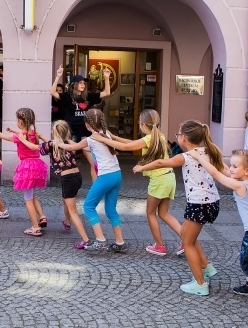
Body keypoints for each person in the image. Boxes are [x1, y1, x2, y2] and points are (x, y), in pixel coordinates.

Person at [134, 120, 222, 296]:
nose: (177, 137)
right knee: (189, 236)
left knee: (187, 241)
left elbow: (160, 163)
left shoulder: (187, 156)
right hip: (213, 202)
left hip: (199, 204)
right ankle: (206, 267)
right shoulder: (208, 151)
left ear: (184, 139)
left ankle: (200, 283)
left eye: (178, 134)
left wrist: (141, 167)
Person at [193, 148, 248, 310]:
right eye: (231, 165)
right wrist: (212, 154)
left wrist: (198, 157)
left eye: (235, 166)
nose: (231, 169)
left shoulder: (240, 185)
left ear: (247, 170)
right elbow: (223, 170)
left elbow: (216, 174)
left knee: (246, 263)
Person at [90, 109, 183, 256]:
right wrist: (114, 137)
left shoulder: (148, 139)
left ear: (143, 125)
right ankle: (185, 240)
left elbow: (127, 147)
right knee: (164, 213)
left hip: (159, 181)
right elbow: (133, 143)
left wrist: (103, 139)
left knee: (151, 213)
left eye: (139, 123)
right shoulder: (159, 136)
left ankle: (159, 246)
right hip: (169, 178)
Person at [55, 109, 127, 252]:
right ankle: (120, 242)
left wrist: (57, 143)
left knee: (88, 206)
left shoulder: (90, 139)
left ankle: (100, 240)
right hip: (117, 174)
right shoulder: (106, 135)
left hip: (105, 176)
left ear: (87, 125)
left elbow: (72, 147)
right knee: (110, 209)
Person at [0, 107, 49, 236]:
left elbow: (1, 136)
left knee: (28, 198)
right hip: (37, 165)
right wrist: (14, 130)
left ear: (20, 121)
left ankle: (35, 227)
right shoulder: (34, 132)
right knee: (31, 194)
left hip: (27, 167)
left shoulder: (20, 136)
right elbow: (24, 134)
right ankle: (42, 216)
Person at [27, 120, 92, 248]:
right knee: (66, 200)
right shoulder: (70, 143)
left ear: (54, 132)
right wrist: (40, 136)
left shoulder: (52, 145)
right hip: (77, 177)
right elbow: (52, 143)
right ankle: (67, 222)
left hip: (67, 179)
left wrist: (21, 139)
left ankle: (86, 240)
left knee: (73, 211)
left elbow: (36, 147)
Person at [50, 64, 113, 182]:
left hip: (85, 131)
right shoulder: (67, 96)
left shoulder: (88, 96)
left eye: (84, 83)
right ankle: (69, 184)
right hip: (71, 131)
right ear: (74, 85)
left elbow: (106, 93)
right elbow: (52, 92)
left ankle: (96, 187)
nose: (83, 85)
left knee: (94, 162)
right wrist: (58, 76)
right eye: (80, 83)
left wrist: (106, 77)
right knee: (68, 161)